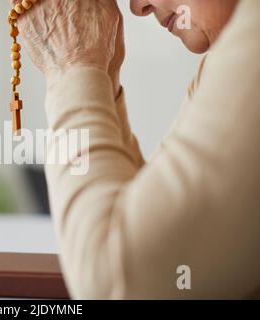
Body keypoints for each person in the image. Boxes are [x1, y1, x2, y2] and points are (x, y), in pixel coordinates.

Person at [14, 0, 260, 298]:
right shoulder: (223, 58)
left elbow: (115, 284)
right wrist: (99, 74)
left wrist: (72, 67)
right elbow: (164, 239)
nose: (138, 6)